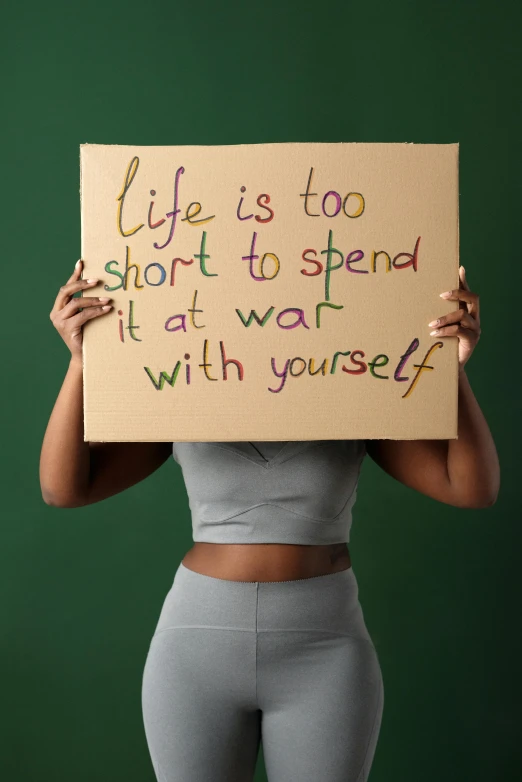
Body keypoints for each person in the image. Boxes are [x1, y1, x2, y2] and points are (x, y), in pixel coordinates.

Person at [40, 259, 499, 782]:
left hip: (324, 651)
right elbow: (63, 488)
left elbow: (472, 488)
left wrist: (450, 368)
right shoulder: (177, 383)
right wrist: (81, 361)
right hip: (195, 650)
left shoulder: (361, 385)